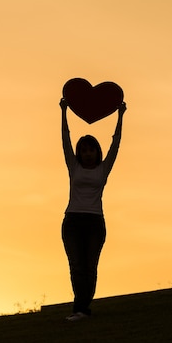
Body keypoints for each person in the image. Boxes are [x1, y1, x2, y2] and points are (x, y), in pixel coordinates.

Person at [60, 97, 127, 321]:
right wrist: (64, 111)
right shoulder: (74, 166)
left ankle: (81, 309)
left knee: (90, 267)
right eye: (84, 150)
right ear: (80, 153)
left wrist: (120, 116)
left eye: (91, 150)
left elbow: (116, 143)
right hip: (72, 221)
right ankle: (81, 309)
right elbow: (65, 140)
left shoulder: (103, 169)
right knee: (77, 267)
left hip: (95, 222)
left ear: (97, 152)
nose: (88, 153)